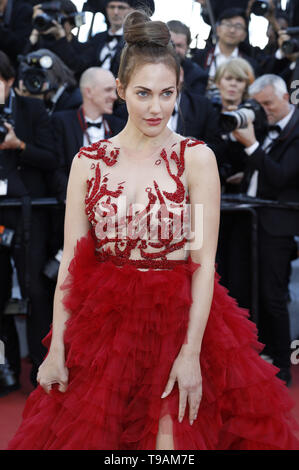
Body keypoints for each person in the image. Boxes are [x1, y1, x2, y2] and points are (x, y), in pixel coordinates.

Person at [7, 11, 299, 451]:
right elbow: (71, 261)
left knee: (171, 447)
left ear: (179, 91)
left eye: (167, 93)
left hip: (180, 321)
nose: (156, 107)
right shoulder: (88, 161)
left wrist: (190, 354)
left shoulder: (195, 158)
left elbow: (203, 264)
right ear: (121, 90)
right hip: (102, 324)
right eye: (143, 93)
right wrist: (57, 347)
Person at [232, 73, 299, 387]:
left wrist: (253, 147)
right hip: (250, 220)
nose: (264, 111)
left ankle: (283, 366)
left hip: (277, 226)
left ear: (286, 97)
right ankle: (257, 355)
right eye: (258, 105)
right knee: (247, 290)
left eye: (268, 104)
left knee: (273, 296)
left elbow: (282, 177)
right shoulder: (263, 127)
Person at [0, 50, 57, 396]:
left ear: (9, 81)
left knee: (35, 291)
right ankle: (4, 368)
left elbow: (52, 159)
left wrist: (18, 144)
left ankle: (41, 366)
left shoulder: (33, 110)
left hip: (28, 214)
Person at [50, 67, 126, 203]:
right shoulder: (61, 122)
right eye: (108, 90)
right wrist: (75, 201)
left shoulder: (120, 126)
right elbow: (55, 169)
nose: (114, 96)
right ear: (89, 92)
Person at [192, 8, 259, 88]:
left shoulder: (250, 64)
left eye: (238, 26)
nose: (232, 30)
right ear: (217, 29)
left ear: (244, 35)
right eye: (228, 24)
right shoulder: (200, 56)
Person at [167, 20, 208, 96]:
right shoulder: (148, 67)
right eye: (171, 44)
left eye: (179, 45)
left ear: (187, 48)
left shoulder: (198, 76)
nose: (174, 49)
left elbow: (194, 105)